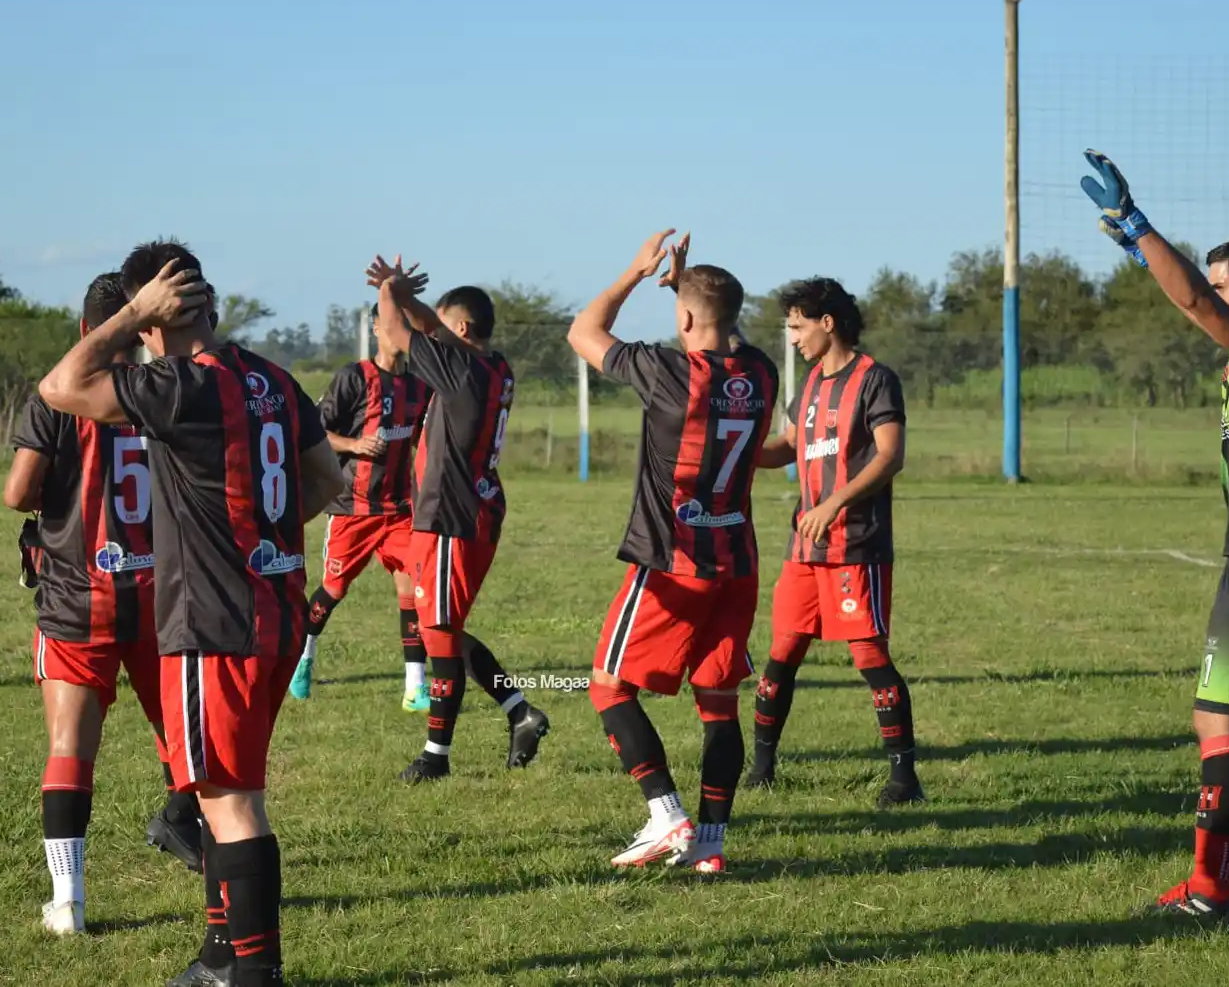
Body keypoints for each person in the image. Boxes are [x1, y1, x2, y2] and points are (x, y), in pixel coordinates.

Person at [39, 240, 342, 987]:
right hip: (276, 610)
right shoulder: (271, 378)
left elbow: (61, 386)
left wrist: (127, 317)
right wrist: (261, 539)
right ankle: (219, 954)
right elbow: (326, 478)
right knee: (218, 793)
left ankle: (255, 972)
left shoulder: (181, 384)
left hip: (214, 620)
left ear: (154, 315)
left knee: (231, 802)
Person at [1081, 149, 1229, 916]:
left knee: (1217, 716)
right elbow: (1196, 294)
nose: (1215, 298)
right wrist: (1144, 256)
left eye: (1228, 284)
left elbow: (1197, 302)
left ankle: (1209, 887)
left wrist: (1139, 226)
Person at [568, 231, 777, 872]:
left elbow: (584, 332)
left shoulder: (669, 373)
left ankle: (666, 815)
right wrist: (687, 294)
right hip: (736, 562)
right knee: (718, 703)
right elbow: (721, 334)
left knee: (608, 687)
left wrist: (636, 274)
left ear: (683, 319)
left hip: (674, 562)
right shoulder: (762, 371)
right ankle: (710, 843)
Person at [4, 273, 205, 936]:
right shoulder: (166, 388)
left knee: (70, 747)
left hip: (78, 595)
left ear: (86, 330)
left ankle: (68, 900)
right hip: (161, 594)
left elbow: (18, 493)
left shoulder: (61, 394)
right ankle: (188, 827)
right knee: (181, 735)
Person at [365, 256, 550, 784]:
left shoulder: (461, 370)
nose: (436, 334)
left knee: (440, 633)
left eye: (446, 327)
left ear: (462, 330)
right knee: (440, 625)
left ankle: (436, 757)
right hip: (468, 510)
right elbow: (430, 328)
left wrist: (389, 291)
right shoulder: (493, 365)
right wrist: (410, 300)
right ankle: (520, 713)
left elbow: (397, 333)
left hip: (451, 515)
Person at [746, 277, 922, 810]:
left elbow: (890, 455)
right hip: (805, 547)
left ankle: (904, 780)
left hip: (856, 544)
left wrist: (834, 503)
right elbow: (788, 446)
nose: (793, 337)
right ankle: (761, 769)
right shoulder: (810, 387)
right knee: (782, 652)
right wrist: (736, 450)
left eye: (798, 326)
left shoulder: (875, 380)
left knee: (869, 655)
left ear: (827, 323)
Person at [290, 299, 434, 712]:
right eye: (391, 323)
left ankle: (415, 688)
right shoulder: (354, 378)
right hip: (352, 508)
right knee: (333, 589)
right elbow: (314, 432)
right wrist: (354, 444)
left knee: (412, 590)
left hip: (399, 509)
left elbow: (422, 438)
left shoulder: (419, 386)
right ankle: (303, 659)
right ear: (375, 328)